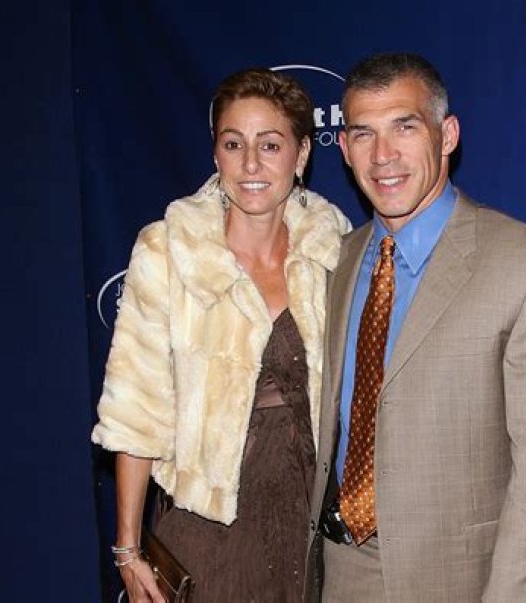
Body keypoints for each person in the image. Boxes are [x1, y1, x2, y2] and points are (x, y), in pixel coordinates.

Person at [305, 53, 526, 601]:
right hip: (338, 571)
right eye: (363, 134)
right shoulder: (334, 261)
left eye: (405, 127)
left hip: (463, 582)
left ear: (448, 135)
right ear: (342, 147)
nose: (383, 155)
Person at [92, 68, 350, 602]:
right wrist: (128, 550)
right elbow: (135, 414)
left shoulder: (333, 248)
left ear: (302, 154)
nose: (251, 164)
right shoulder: (168, 251)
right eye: (234, 144)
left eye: (270, 145)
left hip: (313, 531)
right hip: (209, 532)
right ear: (216, 154)